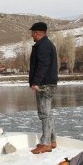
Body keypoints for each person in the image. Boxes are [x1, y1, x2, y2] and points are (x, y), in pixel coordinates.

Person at [28, 22, 58, 154]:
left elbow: (43, 65)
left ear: (37, 33)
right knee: (48, 114)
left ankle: (45, 143)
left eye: (32, 32)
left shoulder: (43, 46)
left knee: (44, 114)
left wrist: (36, 82)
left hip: (44, 85)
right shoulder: (46, 44)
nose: (31, 35)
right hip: (47, 83)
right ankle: (52, 140)